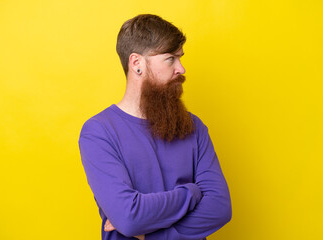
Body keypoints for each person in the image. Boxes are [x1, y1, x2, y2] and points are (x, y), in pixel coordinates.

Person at [78, 14, 232, 240]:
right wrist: (192, 193)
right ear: (137, 63)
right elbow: (130, 217)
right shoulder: (98, 133)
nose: (181, 68)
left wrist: (149, 235)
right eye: (171, 58)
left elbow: (219, 208)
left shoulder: (195, 127)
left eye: (180, 58)